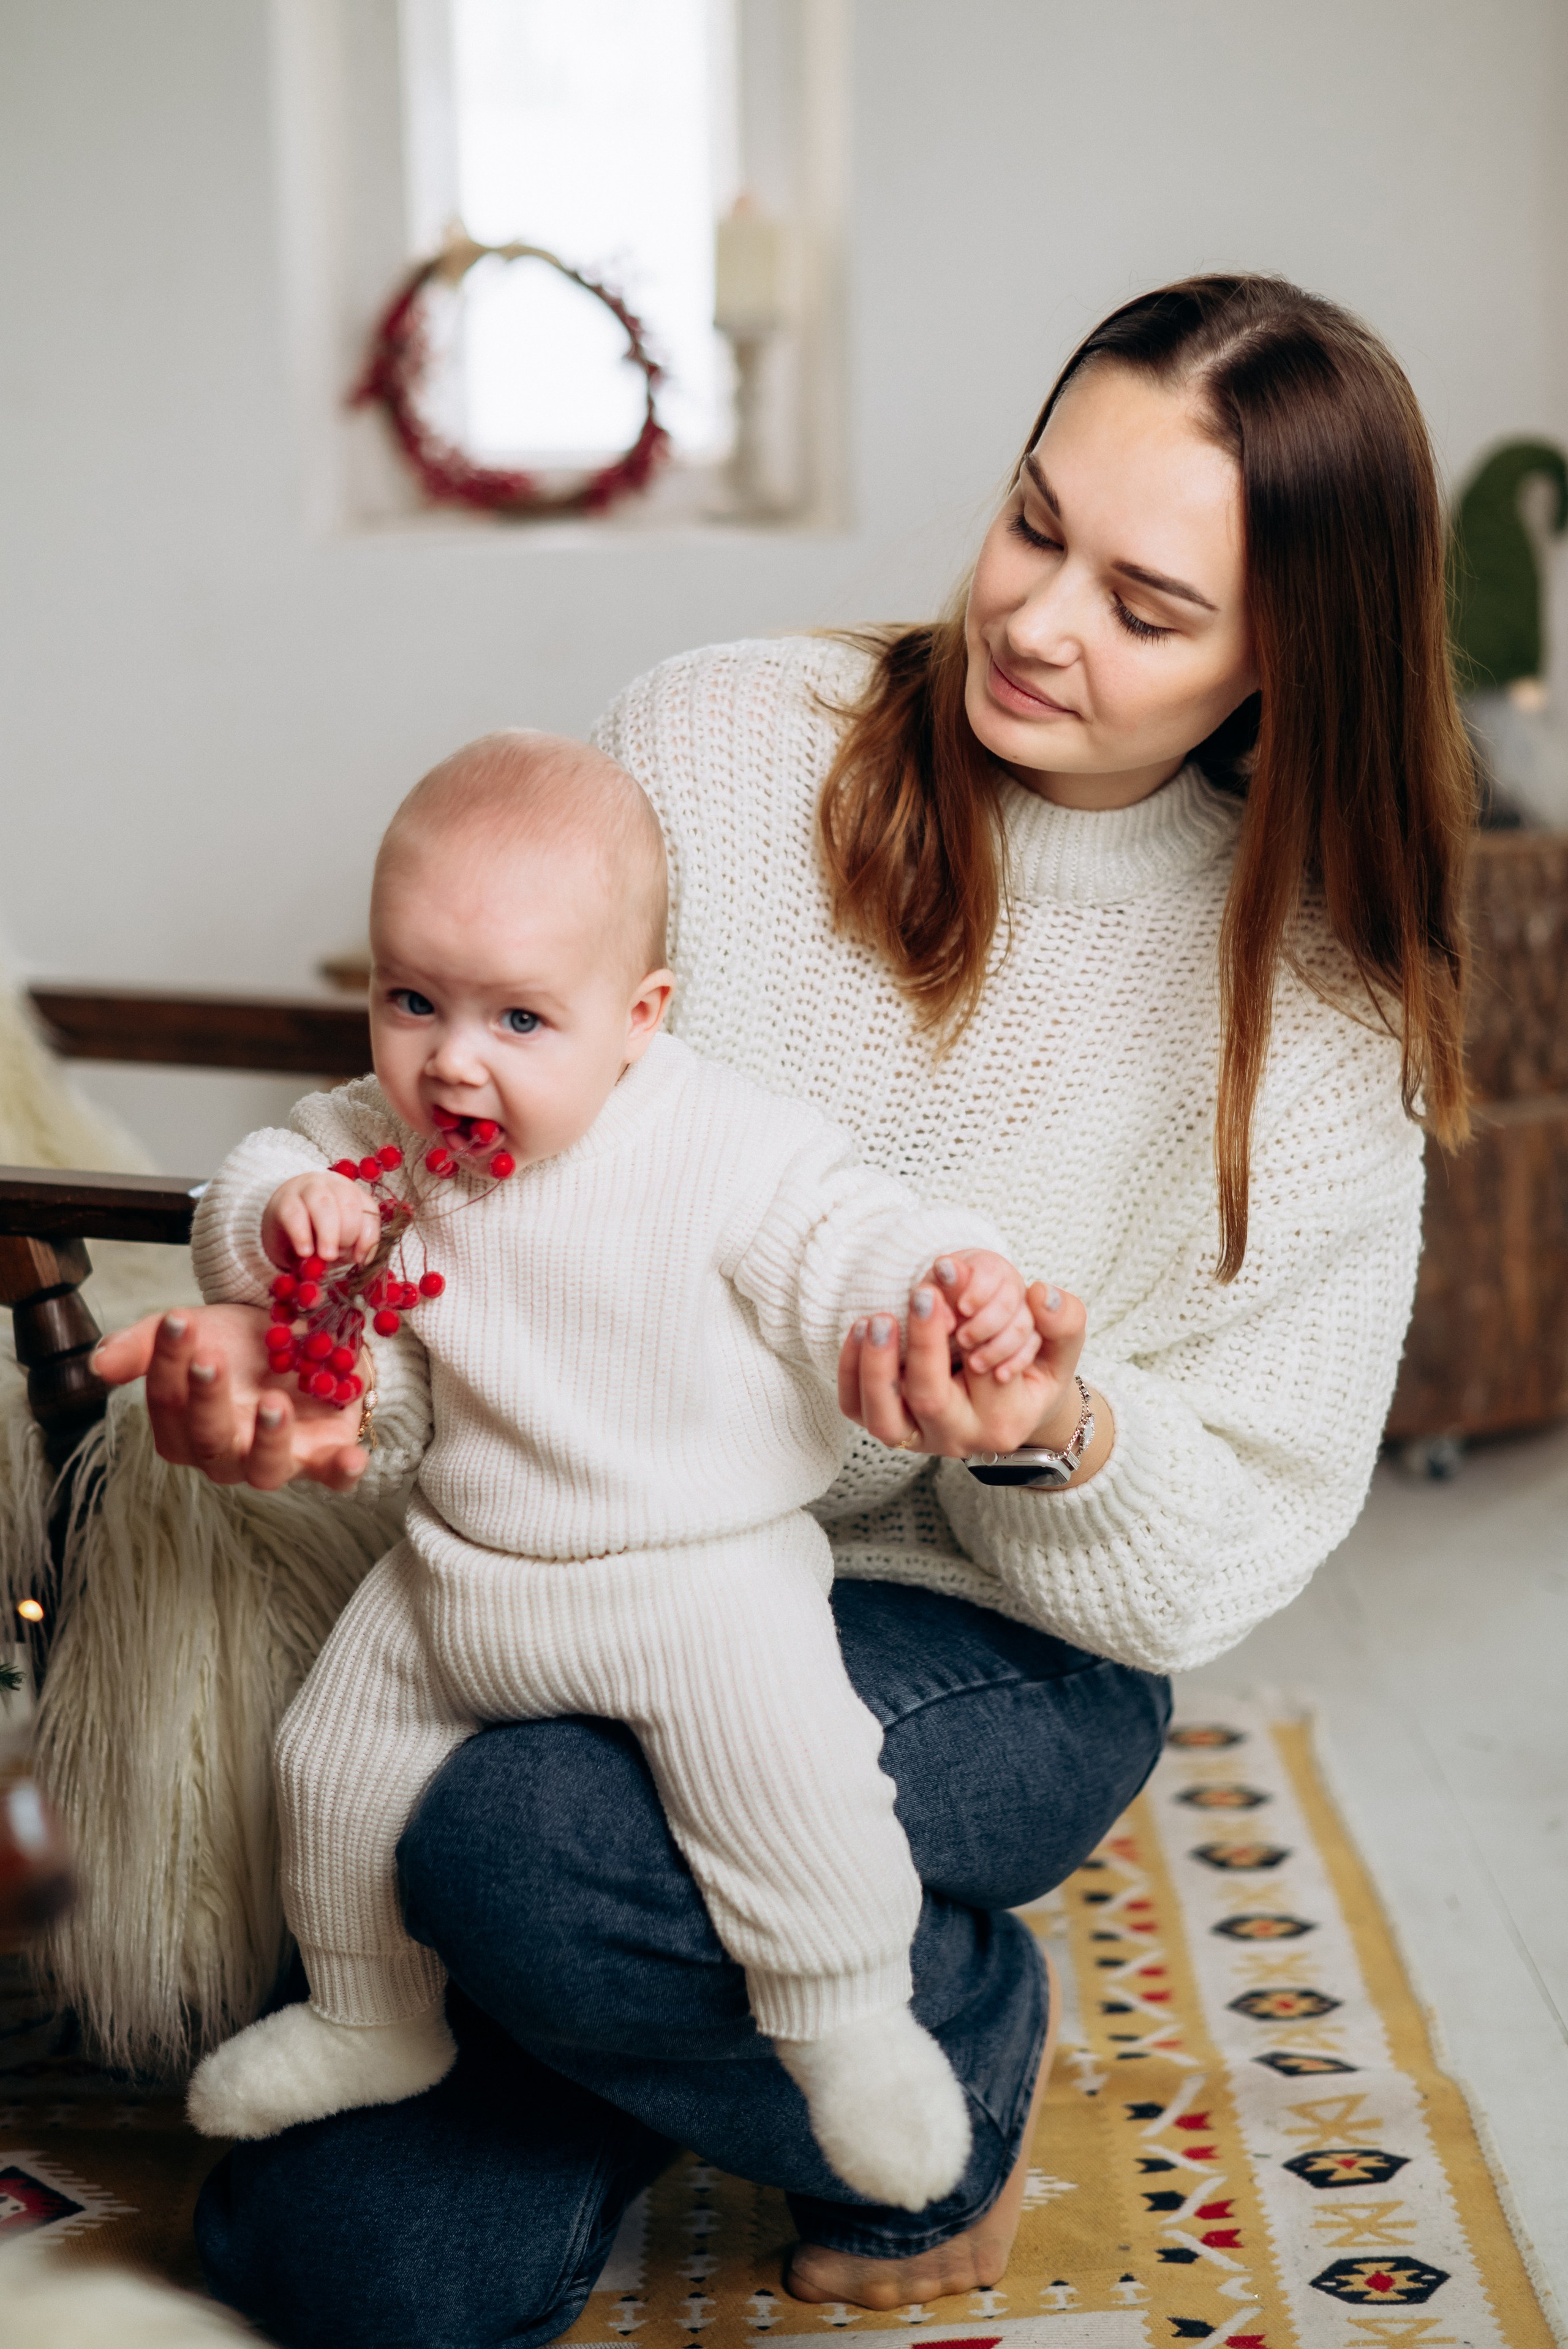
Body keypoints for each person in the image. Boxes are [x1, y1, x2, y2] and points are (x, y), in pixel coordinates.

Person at [95, 273, 1471, 2348]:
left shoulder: (1328, 1010)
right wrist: (320, 1375)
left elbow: (1234, 1538)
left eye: (1148, 605)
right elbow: (471, 1180)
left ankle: (953, 2032)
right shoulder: (728, 744)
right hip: (588, 1543)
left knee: (507, 1827)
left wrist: (1044, 1424)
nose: (1035, 619)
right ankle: (733, 1988)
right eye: (1031, 524)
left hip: (993, 1638)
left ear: (1290, 661)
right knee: (347, 2265)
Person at [182, 728, 1066, 2216]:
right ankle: (367, 2018)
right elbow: (255, 1172)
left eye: (518, 1017)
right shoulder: (393, 1142)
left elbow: (843, 1238)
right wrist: (285, 1217)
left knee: (788, 1793)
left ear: (639, 1015)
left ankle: (852, 2021)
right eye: (411, 1001)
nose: (450, 1058)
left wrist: (939, 1284)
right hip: (461, 1571)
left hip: (691, 1577)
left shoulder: (723, 1147)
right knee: (324, 1766)